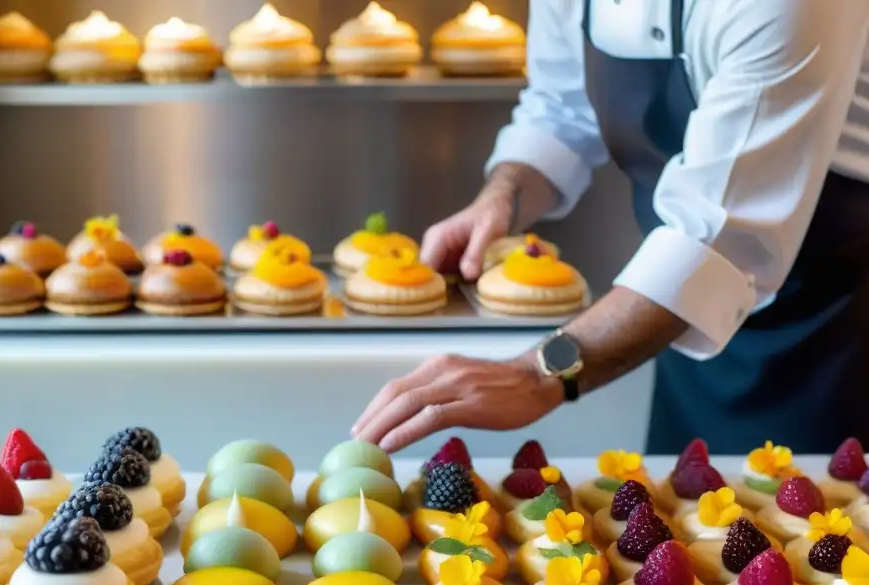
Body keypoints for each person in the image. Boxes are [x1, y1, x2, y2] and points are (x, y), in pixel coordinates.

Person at [353, 0, 869, 456]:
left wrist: (537, 374)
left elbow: (717, 239)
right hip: (674, 317)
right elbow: (561, 107)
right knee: (684, 532)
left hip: (830, 330)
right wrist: (502, 198)